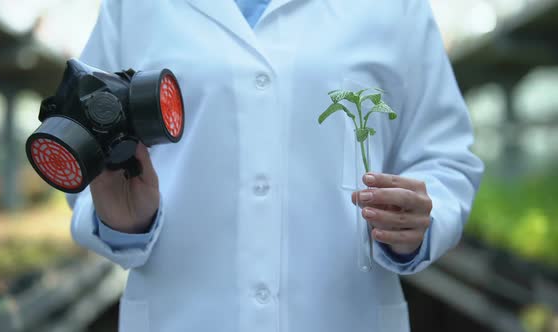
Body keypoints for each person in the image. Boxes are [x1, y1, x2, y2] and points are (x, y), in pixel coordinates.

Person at [67, 0, 484, 331]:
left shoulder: (397, 7)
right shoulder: (132, 6)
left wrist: (420, 220)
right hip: (182, 315)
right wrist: (122, 222)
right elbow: (82, 140)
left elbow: (444, 155)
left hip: (341, 316)